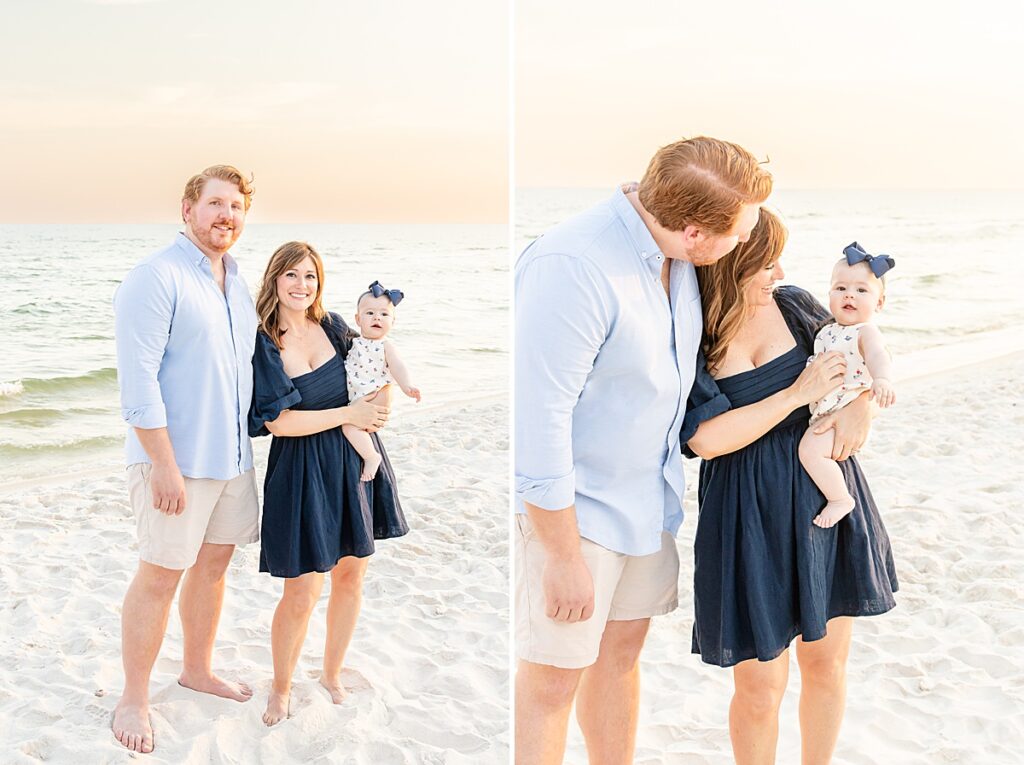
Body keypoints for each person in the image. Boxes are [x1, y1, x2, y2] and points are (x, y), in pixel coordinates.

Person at [514, 136, 771, 764]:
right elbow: (538, 421)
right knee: (552, 679)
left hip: (649, 506)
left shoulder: (677, 257)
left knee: (620, 658)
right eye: (736, 235)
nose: (741, 245)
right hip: (579, 517)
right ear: (693, 233)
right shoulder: (573, 266)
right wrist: (563, 555)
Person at [683, 209, 899, 764]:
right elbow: (706, 439)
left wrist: (862, 410)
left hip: (821, 494)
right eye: (764, 259)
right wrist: (795, 394)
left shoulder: (796, 305)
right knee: (759, 689)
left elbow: (860, 360)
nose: (778, 270)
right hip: (745, 510)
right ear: (729, 259)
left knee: (826, 665)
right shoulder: (694, 330)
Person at [111, 165, 259, 754]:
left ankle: (197, 669)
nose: (227, 216)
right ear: (187, 208)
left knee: (214, 567)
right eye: (216, 203)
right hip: (175, 462)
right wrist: (163, 466)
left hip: (233, 459)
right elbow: (138, 383)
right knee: (160, 574)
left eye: (237, 207)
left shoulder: (238, 282)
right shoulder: (157, 277)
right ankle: (134, 698)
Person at [248, 241, 409, 727]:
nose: (302, 285)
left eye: (311, 277)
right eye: (292, 275)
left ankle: (332, 673)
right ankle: (280, 688)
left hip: (352, 460)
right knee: (302, 589)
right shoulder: (266, 340)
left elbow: (376, 373)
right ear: (275, 279)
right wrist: (348, 414)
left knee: (351, 574)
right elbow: (278, 423)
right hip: (301, 469)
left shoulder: (337, 326)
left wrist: (377, 409)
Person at [800, 244, 896, 528]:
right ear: (829, 294)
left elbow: (878, 354)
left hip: (845, 410)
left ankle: (840, 498)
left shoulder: (865, 331)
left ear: (879, 303)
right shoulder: (826, 331)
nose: (850, 295)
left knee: (809, 451)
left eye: (862, 290)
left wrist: (882, 379)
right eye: (840, 288)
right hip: (826, 410)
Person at [342, 281, 421, 481]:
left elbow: (398, 366)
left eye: (384, 314)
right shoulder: (354, 342)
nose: (377, 317)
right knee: (348, 424)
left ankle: (372, 456)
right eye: (370, 313)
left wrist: (407, 386)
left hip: (372, 395)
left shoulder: (385, 346)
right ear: (357, 319)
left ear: (393, 322)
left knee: (349, 427)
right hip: (359, 396)